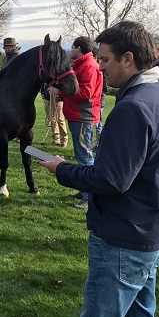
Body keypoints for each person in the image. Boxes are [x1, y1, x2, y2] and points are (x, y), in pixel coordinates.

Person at [38, 21, 159, 317]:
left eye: (104, 59)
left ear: (127, 59)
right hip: (151, 230)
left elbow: (110, 179)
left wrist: (62, 169)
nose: (100, 66)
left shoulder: (133, 107)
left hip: (124, 239)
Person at [60, 36, 102, 209]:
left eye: (72, 47)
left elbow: (85, 93)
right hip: (78, 116)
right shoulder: (81, 65)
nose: (70, 49)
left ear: (79, 48)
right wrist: (62, 94)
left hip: (84, 117)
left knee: (85, 156)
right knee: (82, 156)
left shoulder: (89, 66)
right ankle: (84, 189)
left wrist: (64, 92)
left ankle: (88, 196)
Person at [40, 82, 68, 148]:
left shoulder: (58, 73)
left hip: (57, 99)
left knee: (60, 120)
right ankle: (56, 139)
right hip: (47, 98)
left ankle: (64, 140)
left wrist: (60, 94)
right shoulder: (47, 74)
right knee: (51, 120)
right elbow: (43, 82)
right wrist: (43, 92)